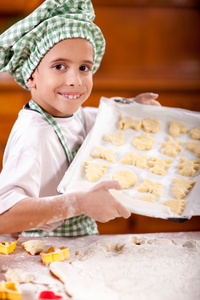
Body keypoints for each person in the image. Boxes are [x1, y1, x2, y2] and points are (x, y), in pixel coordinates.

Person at [0, 0, 160, 237]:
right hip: (42, 254)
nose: (75, 80)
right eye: (60, 66)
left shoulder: (75, 116)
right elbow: (5, 218)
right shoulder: (34, 134)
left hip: (77, 247)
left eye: (84, 68)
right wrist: (78, 204)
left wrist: (134, 107)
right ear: (31, 76)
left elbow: (109, 120)